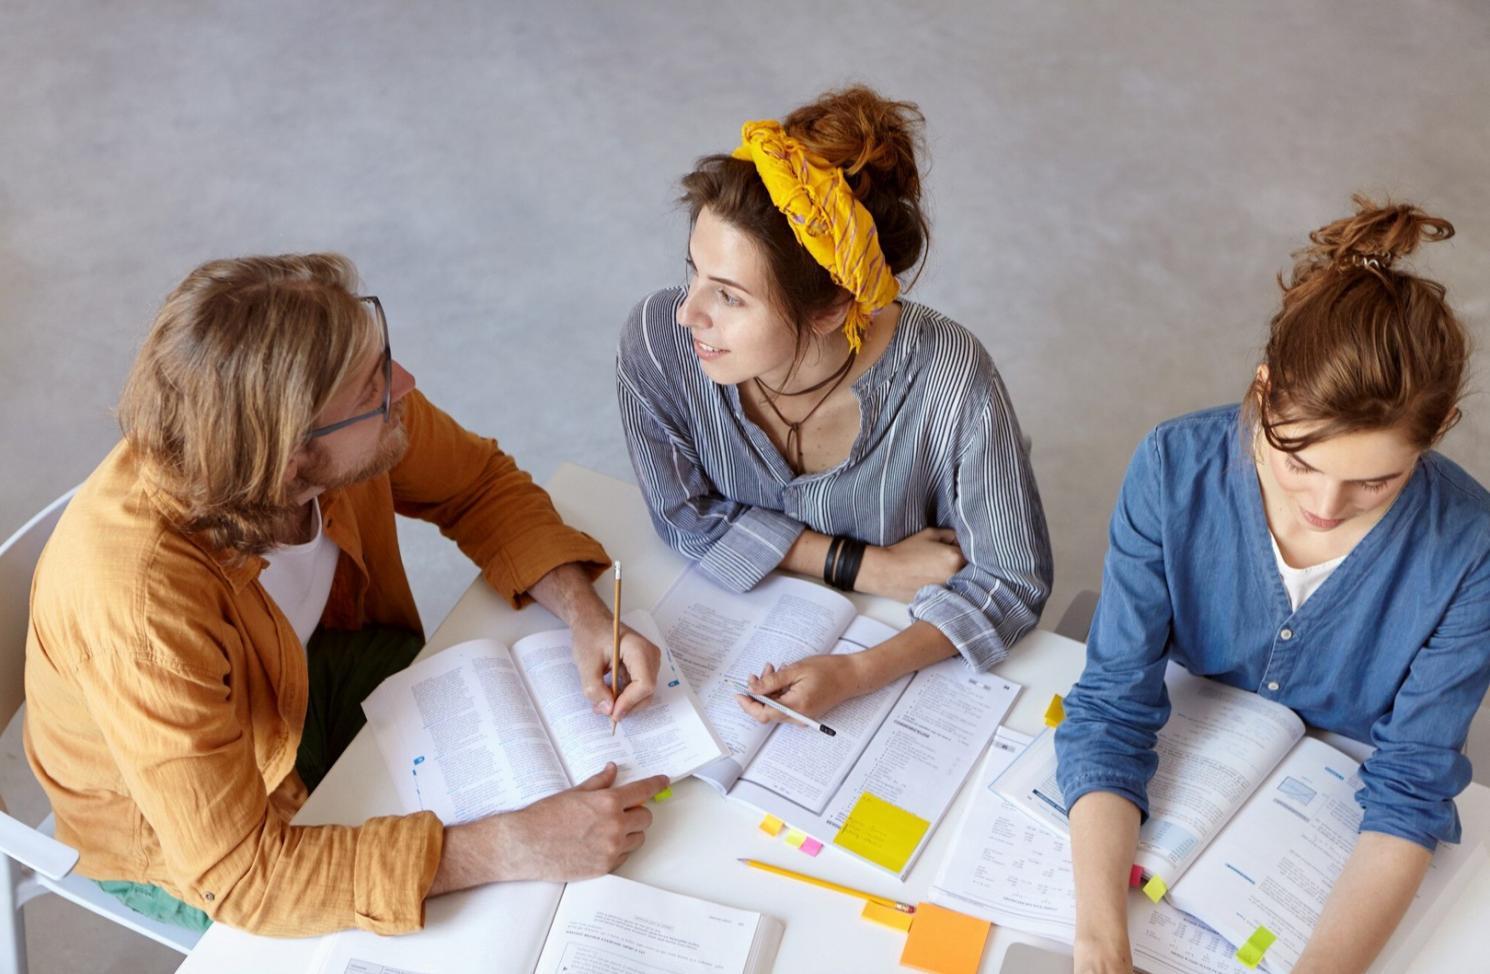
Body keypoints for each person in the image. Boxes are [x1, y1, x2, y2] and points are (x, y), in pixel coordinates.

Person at [23, 254, 668, 937]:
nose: (405, 385)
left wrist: (582, 611)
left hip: (310, 679)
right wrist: (509, 845)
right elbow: (244, 879)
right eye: (374, 390)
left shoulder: (324, 430)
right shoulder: (139, 606)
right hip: (169, 836)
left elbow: (475, 483)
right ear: (291, 454)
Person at [1054, 197, 1490, 974]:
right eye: (1296, 463)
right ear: (1263, 391)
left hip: (1330, 803)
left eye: (1377, 482)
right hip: (1197, 755)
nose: (1324, 507)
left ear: (1439, 430)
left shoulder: (1470, 549)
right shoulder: (1172, 469)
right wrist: (1099, 942)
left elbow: (1411, 787)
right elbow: (1112, 708)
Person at [616, 85, 1052, 723]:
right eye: (693, 272)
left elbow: (1010, 582)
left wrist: (855, 672)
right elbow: (681, 509)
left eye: (730, 297)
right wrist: (862, 565)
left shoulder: (952, 381)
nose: (689, 313)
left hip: (890, 661)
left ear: (832, 309)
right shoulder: (660, 342)